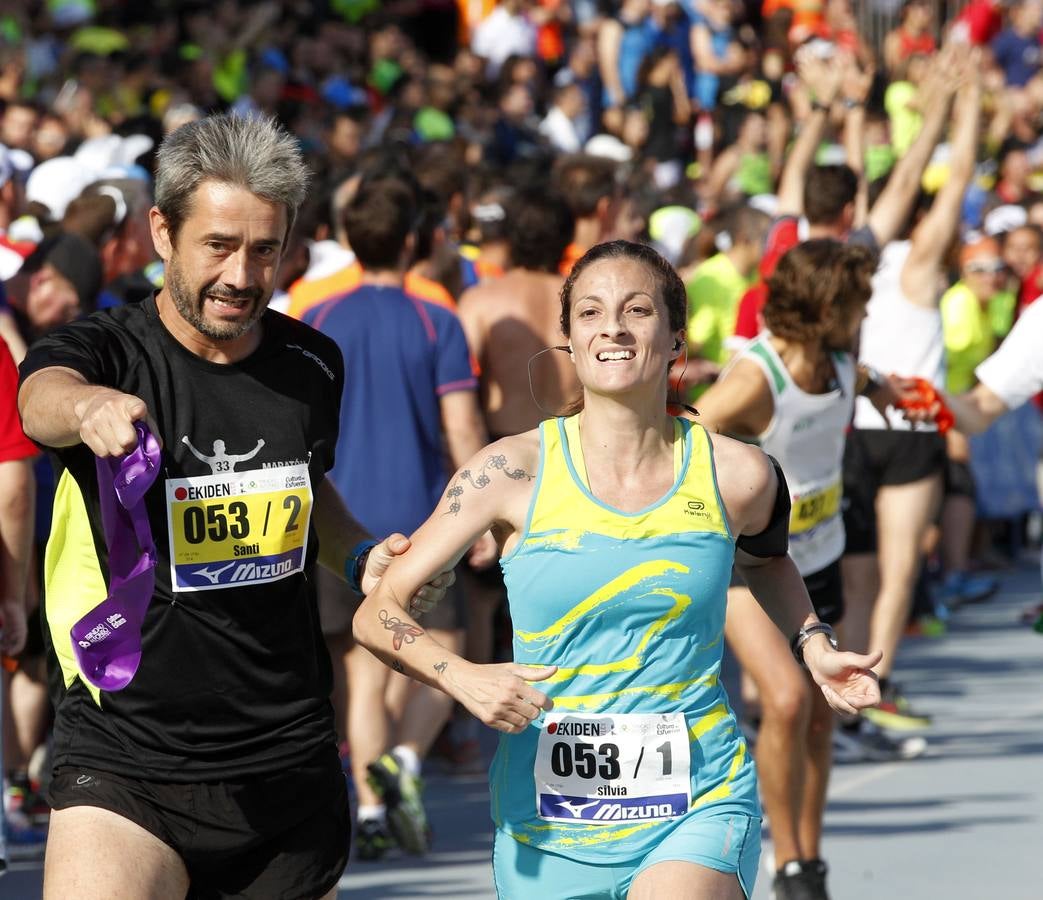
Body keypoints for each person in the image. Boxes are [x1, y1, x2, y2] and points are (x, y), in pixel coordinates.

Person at [352, 239, 881, 899]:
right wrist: (462, 678)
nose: (613, 328)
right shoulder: (508, 472)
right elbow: (377, 611)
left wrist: (811, 641)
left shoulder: (738, 474)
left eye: (636, 311)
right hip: (548, 818)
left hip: (697, 796)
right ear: (569, 338)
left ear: (674, 338)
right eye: (591, 313)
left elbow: (767, 562)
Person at [16, 113, 448, 900]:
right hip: (125, 756)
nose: (241, 276)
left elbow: (306, 489)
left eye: (263, 250)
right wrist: (87, 412)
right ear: (161, 231)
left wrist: (359, 556)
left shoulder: (312, 363)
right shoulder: (108, 349)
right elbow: (39, 395)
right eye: (218, 245)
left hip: (283, 766)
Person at [697, 240, 918, 900]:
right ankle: (785, 858)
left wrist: (888, 388)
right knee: (787, 701)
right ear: (827, 308)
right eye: (858, 302)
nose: (867, 311)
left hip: (817, 556)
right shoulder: (754, 378)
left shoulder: (843, 362)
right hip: (750, 565)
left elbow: (864, 376)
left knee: (825, 713)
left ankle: (809, 858)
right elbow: (688, 435)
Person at [303, 174, 489, 860]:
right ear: (415, 240)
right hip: (421, 521)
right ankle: (405, 759)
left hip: (336, 525)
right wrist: (485, 520)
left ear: (349, 237)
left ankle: (375, 805)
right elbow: (462, 426)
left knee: (360, 670)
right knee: (449, 655)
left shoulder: (315, 317)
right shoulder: (434, 321)